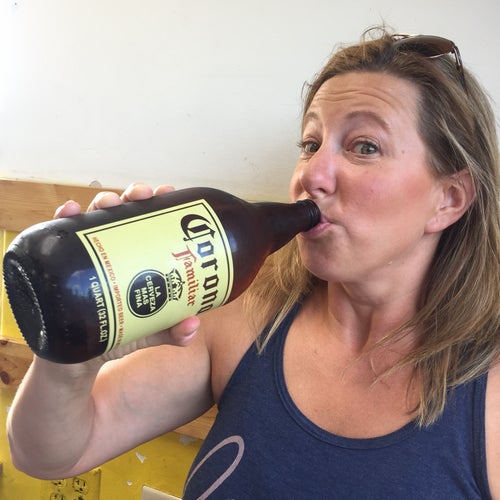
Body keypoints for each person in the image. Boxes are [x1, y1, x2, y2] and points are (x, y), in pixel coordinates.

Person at [7, 27, 500, 498]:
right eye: (310, 145)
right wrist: (76, 360)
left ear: (449, 199)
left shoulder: (488, 396)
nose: (312, 174)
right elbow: (46, 456)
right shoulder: (244, 316)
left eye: (364, 147)